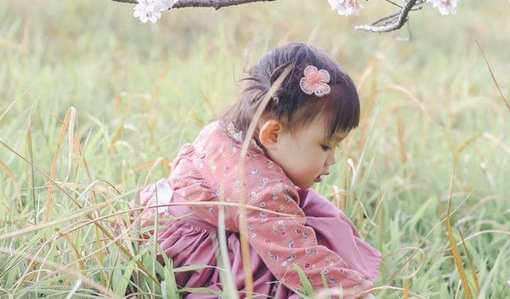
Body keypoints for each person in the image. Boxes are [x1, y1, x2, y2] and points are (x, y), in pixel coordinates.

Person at [132, 43, 381, 298]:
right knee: (278, 275)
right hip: (191, 258)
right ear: (272, 134)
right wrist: (354, 293)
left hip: (160, 226)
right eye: (326, 146)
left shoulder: (223, 131)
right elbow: (297, 259)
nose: (332, 160)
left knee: (304, 206)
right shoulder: (262, 190)